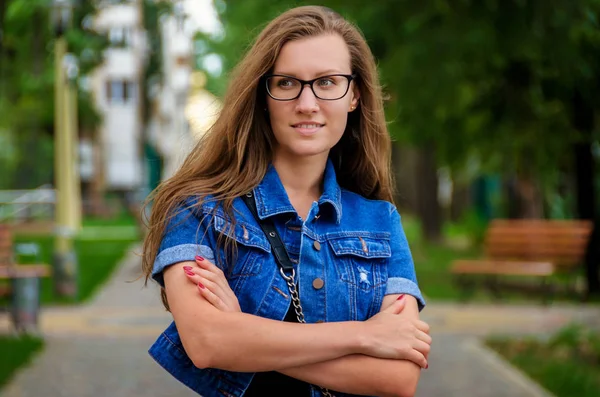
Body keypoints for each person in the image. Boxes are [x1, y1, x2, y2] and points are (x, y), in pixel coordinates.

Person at [142, 5, 431, 397]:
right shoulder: (197, 210)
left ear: (354, 96)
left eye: (328, 82)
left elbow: (398, 378)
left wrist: (245, 335)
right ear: (264, 95)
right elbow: (208, 342)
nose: (307, 103)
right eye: (287, 83)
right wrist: (366, 336)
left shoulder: (380, 222)